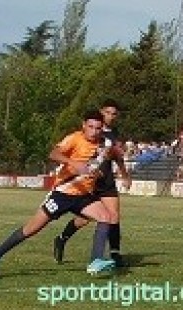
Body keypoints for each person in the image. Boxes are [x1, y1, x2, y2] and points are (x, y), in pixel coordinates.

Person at [0, 110, 116, 275]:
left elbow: (103, 160)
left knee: (106, 217)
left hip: (83, 196)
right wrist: (72, 162)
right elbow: (53, 153)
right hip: (62, 194)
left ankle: (95, 261)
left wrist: (99, 172)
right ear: (83, 126)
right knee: (31, 229)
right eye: (90, 127)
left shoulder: (104, 144)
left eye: (97, 128)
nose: (94, 131)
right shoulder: (74, 139)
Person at [53, 99, 132, 266]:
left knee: (113, 216)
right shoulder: (90, 131)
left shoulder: (113, 134)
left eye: (114, 114)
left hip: (107, 180)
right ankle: (61, 238)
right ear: (101, 112)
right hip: (88, 181)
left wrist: (125, 175)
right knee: (84, 219)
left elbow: (117, 156)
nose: (110, 117)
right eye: (107, 113)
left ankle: (114, 253)